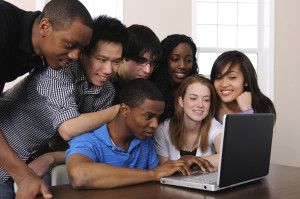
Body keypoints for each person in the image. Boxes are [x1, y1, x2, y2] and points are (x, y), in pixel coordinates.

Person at [0, 15, 127, 199]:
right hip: (5, 151)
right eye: (101, 59)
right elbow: (68, 129)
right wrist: (118, 110)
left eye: (116, 62)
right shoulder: (60, 68)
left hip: (35, 161)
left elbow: (95, 144)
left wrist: (51, 157)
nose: (109, 70)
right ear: (83, 53)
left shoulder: (106, 90)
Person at [66, 79, 211, 189]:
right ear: (124, 110)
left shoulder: (144, 140)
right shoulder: (87, 140)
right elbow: (80, 176)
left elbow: (157, 175)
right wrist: (152, 174)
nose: (155, 125)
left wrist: (180, 164)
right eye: (148, 116)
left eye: (158, 118)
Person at [153, 75, 222, 168]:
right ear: (181, 101)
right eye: (193, 98)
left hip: (204, 183)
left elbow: (228, 158)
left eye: (206, 100)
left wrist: (191, 160)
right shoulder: (163, 129)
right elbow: (163, 170)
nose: (200, 105)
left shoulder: (214, 125)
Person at [210, 50, 276, 124]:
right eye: (218, 77)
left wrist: (247, 110)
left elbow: (258, 135)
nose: (224, 84)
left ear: (246, 80)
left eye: (232, 77)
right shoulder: (208, 106)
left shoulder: (263, 106)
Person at [150, 34, 199, 123]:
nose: (182, 66)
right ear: (164, 60)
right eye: (175, 59)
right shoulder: (151, 90)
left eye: (188, 60)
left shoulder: (198, 89)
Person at [112, 24, 160, 104]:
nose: (148, 70)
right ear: (122, 56)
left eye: (152, 63)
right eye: (140, 61)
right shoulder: (104, 81)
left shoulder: (154, 85)